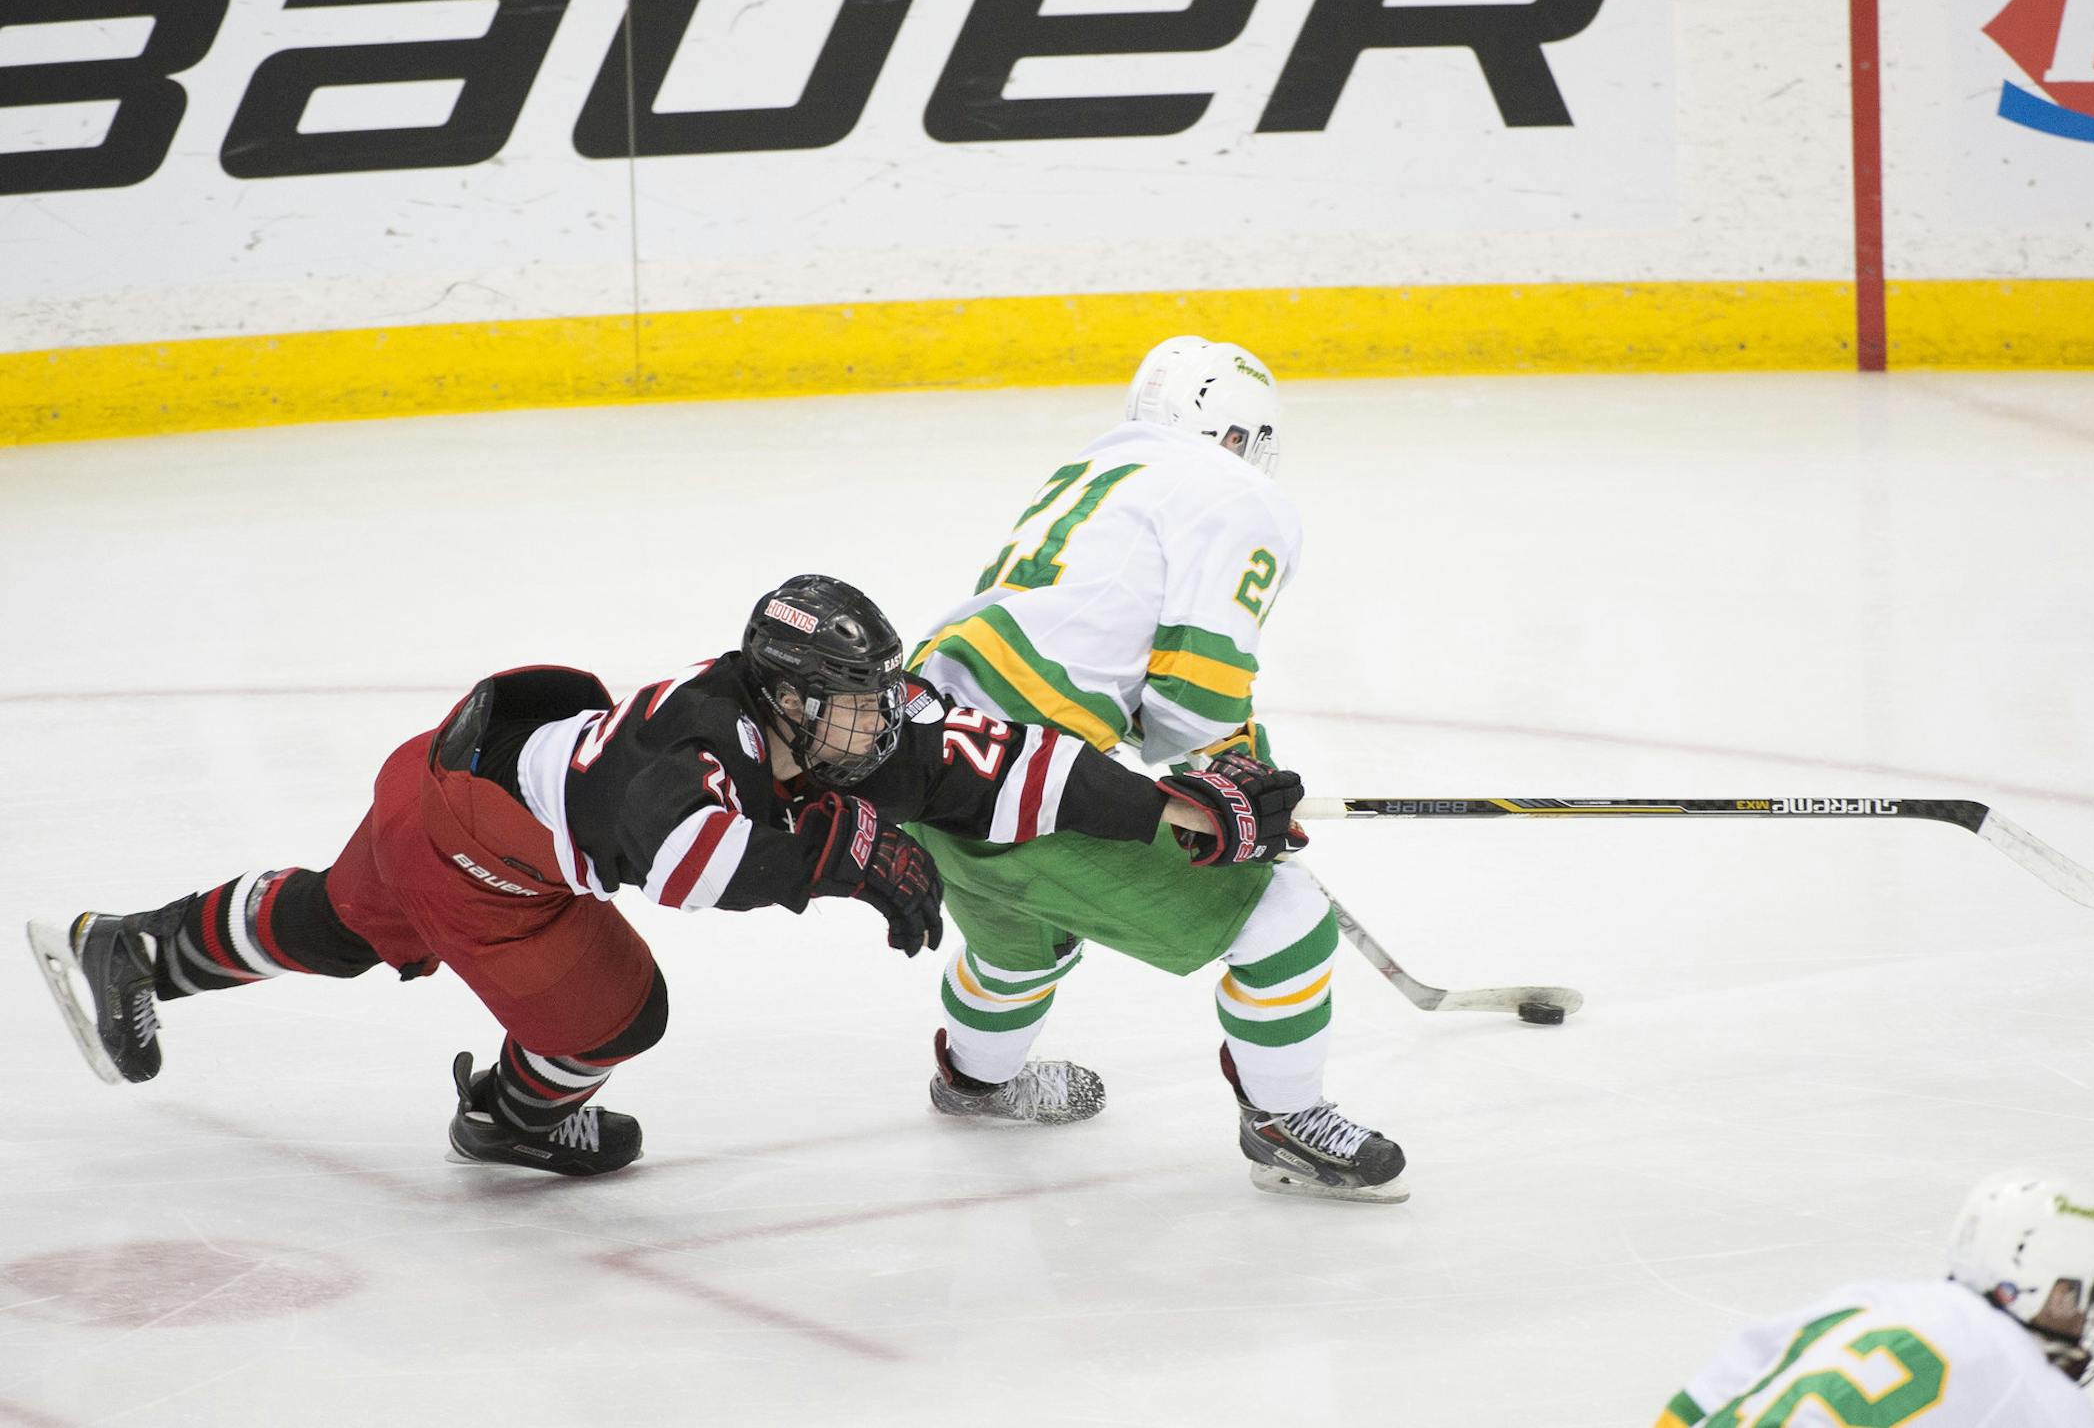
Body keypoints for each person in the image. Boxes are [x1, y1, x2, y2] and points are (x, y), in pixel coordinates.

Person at [28, 574, 1298, 1177]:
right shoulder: (687, 748)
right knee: (622, 1008)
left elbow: (1007, 763)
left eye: (877, 699)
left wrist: (1174, 803)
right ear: (786, 694)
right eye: (852, 704)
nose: (879, 726)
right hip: (480, 848)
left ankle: (140, 946)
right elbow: (700, 860)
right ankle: (517, 1118)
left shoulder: (822, 716)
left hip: (437, 780)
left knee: (344, 919)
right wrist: (852, 855)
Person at [909, 334, 1408, 1203]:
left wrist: (1242, 775)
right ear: (1239, 436)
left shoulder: (1101, 473)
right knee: (1286, 916)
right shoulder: (1234, 490)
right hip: (1028, 779)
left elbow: (1107, 666)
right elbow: (1193, 695)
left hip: (921, 749)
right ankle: (1284, 1121)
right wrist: (1239, 780)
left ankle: (975, 1079)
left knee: (1022, 942)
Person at [1655, 1171, 2094, 1427]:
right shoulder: (2038, 1395)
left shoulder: (1871, 1301)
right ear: (2046, 1289)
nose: (2090, 1313)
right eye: (2087, 1293)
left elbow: (1700, 1399)